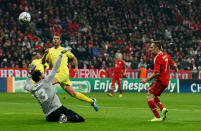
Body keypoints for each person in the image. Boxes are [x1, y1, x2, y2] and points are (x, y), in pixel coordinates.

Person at [24, 48, 84, 123]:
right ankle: (65, 118)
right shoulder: (47, 81)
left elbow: (26, 86)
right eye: (41, 73)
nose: (43, 73)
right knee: (80, 119)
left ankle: (63, 118)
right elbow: (55, 67)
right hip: (58, 109)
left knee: (65, 115)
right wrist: (61, 55)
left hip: (48, 116)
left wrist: (29, 74)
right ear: (40, 77)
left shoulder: (32, 88)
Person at [42, 33, 98, 111]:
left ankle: (52, 107)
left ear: (60, 41)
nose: (55, 40)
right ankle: (92, 101)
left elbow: (74, 57)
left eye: (57, 39)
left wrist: (76, 67)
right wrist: (45, 54)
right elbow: (43, 61)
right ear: (52, 40)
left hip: (63, 73)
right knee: (73, 93)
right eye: (54, 38)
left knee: (47, 83)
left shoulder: (64, 50)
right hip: (58, 74)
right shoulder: (49, 50)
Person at [140, 42, 178, 122]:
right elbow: (174, 65)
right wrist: (176, 69)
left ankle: (157, 117)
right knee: (152, 94)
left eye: (151, 47)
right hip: (165, 80)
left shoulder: (157, 58)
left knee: (149, 97)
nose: (150, 49)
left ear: (157, 48)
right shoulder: (166, 55)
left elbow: (157, 72)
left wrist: (146, 79)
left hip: (160, 80)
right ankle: (162, 109)